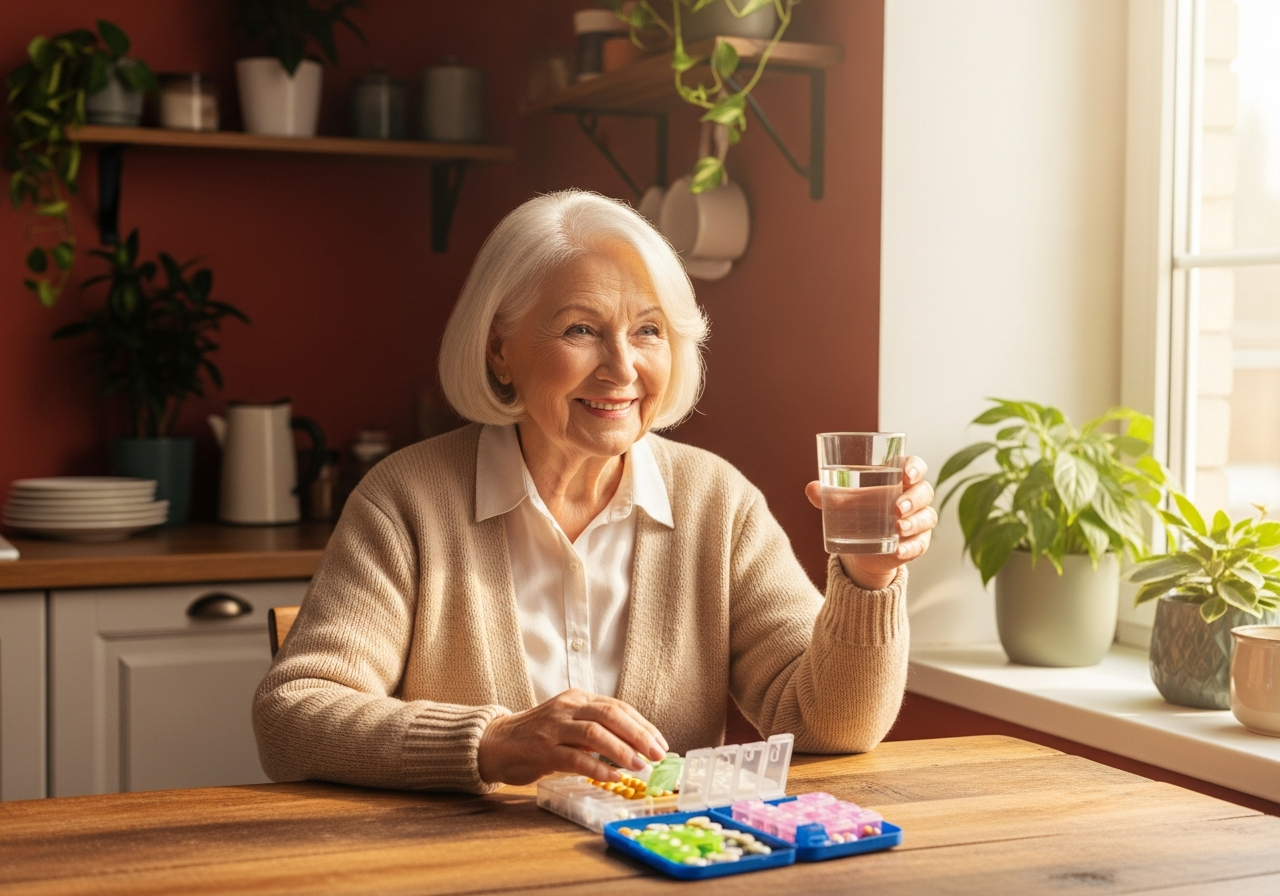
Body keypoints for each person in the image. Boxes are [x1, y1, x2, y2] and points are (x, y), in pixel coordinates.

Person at [253, 190, 937, 794]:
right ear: (500, 350)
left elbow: (827, 723)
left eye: (648, 331)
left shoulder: (715, 502)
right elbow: (294, 715)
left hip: (668, 870)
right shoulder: (406, 501)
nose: (623, 368)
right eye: (581, 329)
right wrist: (492, 744)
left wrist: (867, 580)